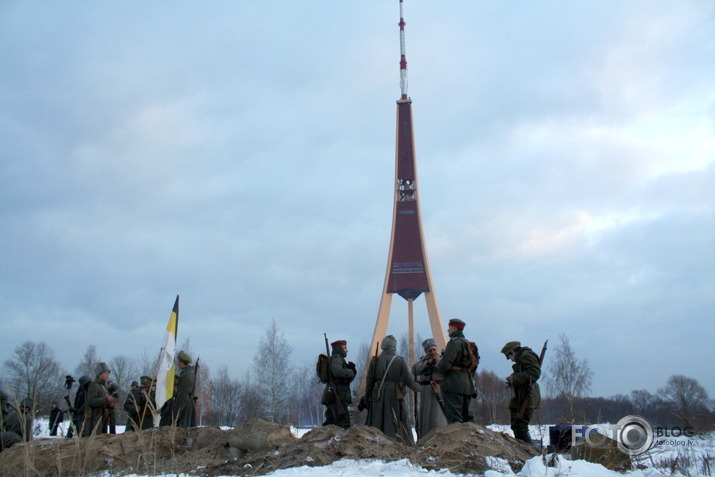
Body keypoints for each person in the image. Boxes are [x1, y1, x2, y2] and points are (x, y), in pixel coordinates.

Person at [363, 335, 420, 445]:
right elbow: (409, 381)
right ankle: (398, 443)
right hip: (394, 394)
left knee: (377, 419)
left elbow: (369, 382)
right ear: (394, 346)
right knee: (395, 420)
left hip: (377, 394)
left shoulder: (375, 361)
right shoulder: (399, 361)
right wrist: (421, 388)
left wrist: (367, 397)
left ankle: (376, 443)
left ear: (383, 347)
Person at [436, 318, 477, 424]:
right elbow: (475, 364)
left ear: (454, 328)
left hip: (453, 385)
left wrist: (439, 363)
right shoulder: (469, 344)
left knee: (454, 419)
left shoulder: (453, 343)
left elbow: (444, 365)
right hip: (467, 385)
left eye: (449, 328)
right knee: (468, 419)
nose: (448, 330)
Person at [501, 341, 541, 444]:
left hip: (526, 396)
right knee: (517, 426)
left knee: (520, 426)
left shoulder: (526, 356)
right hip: (521, 396)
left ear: (513, 351)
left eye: (509, 356)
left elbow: (534, 373)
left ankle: (530, 455)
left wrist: (515, 379)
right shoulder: (523, 357)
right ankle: (527, 453)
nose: (511, 360)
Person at [412, 338, 448, 439]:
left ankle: (440, 437)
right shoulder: (422, 361)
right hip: (426, 391)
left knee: (438, 416)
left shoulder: (442, 359)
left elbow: (445, 370)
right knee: (426, 415)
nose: (432, 352)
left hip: (438, 390)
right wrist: (427, 363)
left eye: (434, 350)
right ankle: (425, 436)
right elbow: (415, 370)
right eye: (430, 351)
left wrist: (437, 362)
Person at [321, 339, 356, 429]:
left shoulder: (337, 359)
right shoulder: (337, 358)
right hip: (339, 392)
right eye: (344, 348)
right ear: (339, 348)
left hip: (338, 391)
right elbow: (337, 372)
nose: (347, 350)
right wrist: (351, 371)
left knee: (332, 418)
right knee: (342, 420)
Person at [83, 362, 119, 437]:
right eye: (106, 372)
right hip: (95, 421)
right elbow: (91, 402)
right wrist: (106, 399)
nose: (108, 374)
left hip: (103, 419)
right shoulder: (94, 385)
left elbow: (104, 401)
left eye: (108, 373)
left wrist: (110, 403)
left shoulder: (104, 386)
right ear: (100, 374)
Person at [170, 350, 196, 427]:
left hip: (185, 407)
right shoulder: (190, 374)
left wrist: (176, 413)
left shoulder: (185, 376)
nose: (177, 363)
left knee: (183, 430)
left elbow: (182, 397)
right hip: (189, 404)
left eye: (178, 361)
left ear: (181, 362)